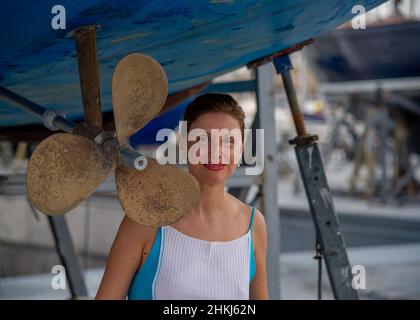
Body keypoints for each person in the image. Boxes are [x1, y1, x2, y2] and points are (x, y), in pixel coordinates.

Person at [95, 93, 269, 300]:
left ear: (242, 148)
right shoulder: (145, 220)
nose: (216, 151)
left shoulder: (253, 223)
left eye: (229, 141)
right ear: (185, 144)